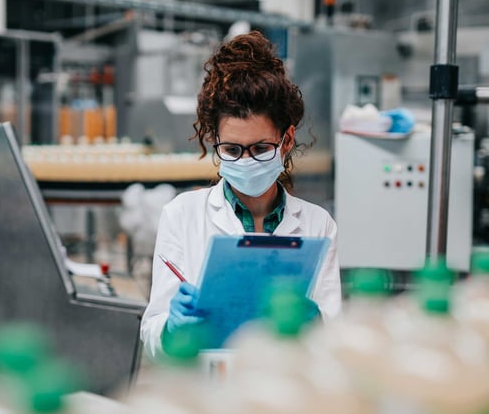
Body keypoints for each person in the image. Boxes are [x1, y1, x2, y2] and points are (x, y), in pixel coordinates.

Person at [140, 31, 342, 357]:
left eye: (261, 148)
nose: (246, 161)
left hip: (283, 392)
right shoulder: (182, 215)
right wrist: (171, 328)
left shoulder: (319, 225)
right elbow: (152, 338)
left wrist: (317, 323)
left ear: (287, 141)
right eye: (232, 149)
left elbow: (334, 345)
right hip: (208, 393)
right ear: (215, 142)